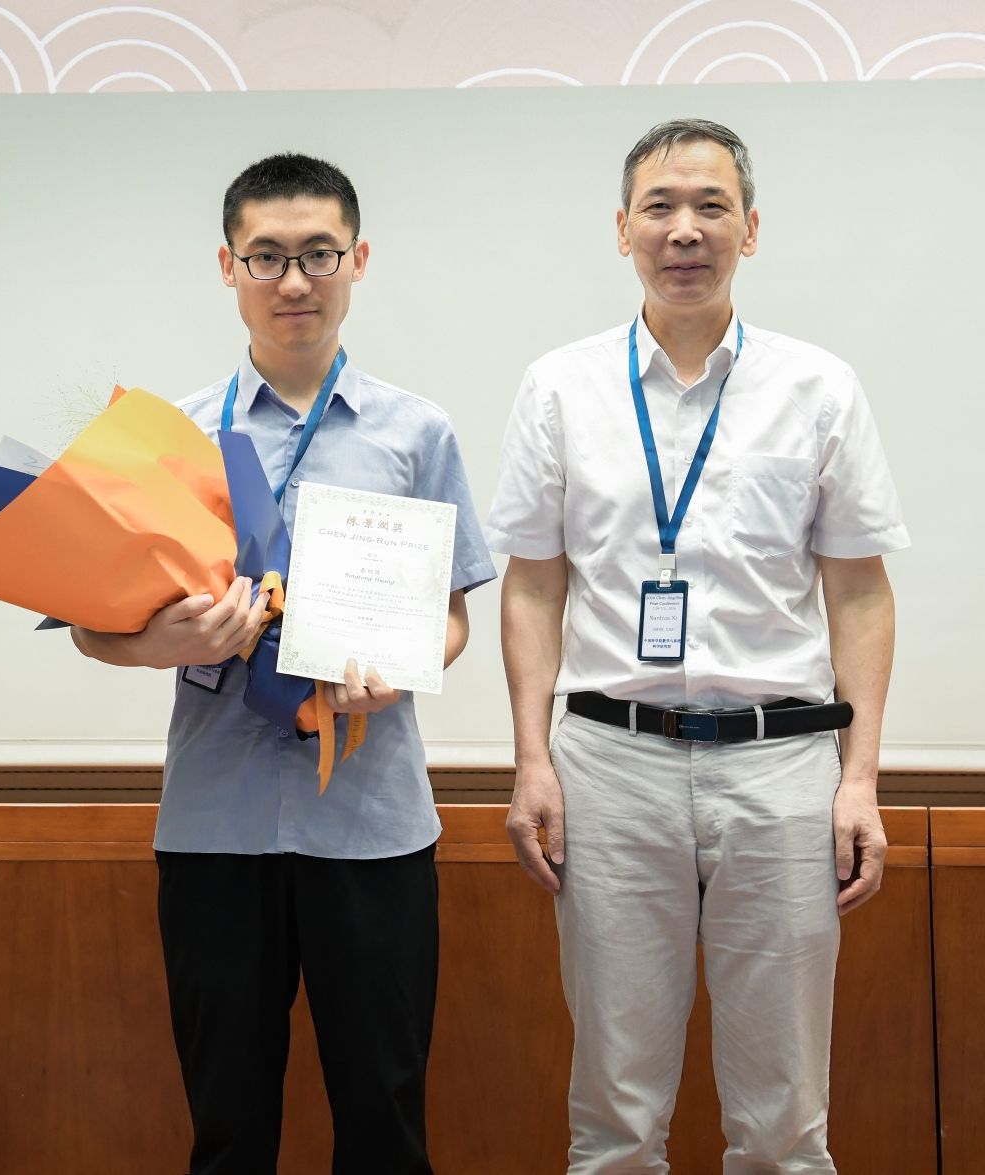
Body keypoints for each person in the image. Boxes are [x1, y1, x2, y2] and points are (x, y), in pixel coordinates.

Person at [487, 119, 907, 1172]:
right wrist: (531, 759)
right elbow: (533, 584)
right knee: (616, 1118)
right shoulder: (559, 387)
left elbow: (859, 593)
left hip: (782, 766)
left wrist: (859, 778)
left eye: (711, 206)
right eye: (661, 207)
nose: (685, 229)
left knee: (784, 1121)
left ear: (749, 229)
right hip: (609, 763)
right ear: (621, 228)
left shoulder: (818, 387)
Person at [70, 153, 496, 1174]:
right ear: (228, 265)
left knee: (385, 1121)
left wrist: (393, 665)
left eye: (318, 254)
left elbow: (449, 618)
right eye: (267, 256)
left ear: (358, 260)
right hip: (215, 825)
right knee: (227, 1126)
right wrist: (164, 643)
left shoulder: (416, 431)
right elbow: (91, 626)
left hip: (372, 825)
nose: (293, 280)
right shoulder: (171, 438)